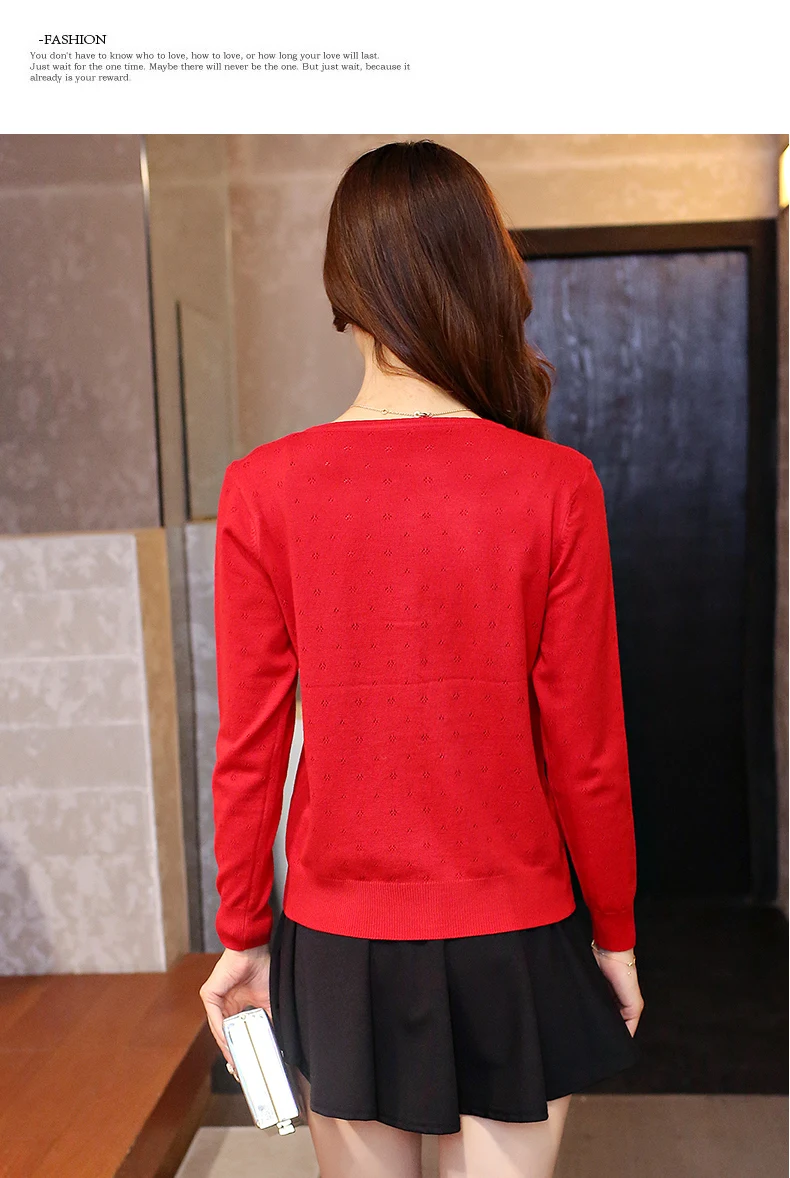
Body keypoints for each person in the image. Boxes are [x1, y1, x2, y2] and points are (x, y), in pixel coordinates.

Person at [199, 139, 644, 1178]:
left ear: (342, 292)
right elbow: (586, 752)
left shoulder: (263, 488)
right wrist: (615, 933)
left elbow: (249, 748)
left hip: (338, 939)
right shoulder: (555, 485)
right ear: (486, 275)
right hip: (516, 929)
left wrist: (242, 930)